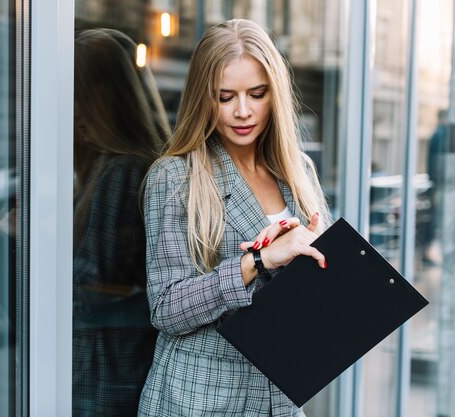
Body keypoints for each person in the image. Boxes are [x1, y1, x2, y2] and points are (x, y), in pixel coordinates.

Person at [138, 19, 331, 416]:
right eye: (225, 97)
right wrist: (258, 261)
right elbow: (166, 308)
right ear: (203, 99)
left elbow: (313, 296)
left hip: (279, 398)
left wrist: (312, 256)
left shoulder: (299, 172)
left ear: (274, 93)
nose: (243, 112)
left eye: (256, 94)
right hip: (200, 399)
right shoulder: (176, 177)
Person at [72, 28, 171, 416]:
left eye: (81, 94)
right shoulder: (122, 166)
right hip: (117, 364)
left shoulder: (121, 171)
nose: (74, 109)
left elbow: (92, 288)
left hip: (106, 369)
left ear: (110, 97)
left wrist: (30, 239)